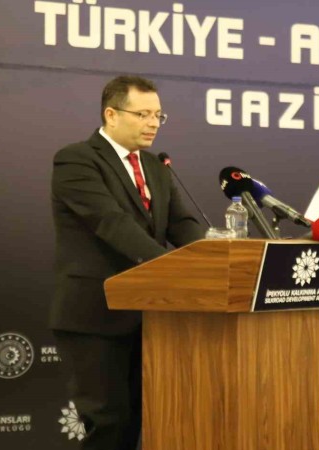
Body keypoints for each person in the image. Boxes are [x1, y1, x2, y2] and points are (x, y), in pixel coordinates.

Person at [49, 75, 204, 450]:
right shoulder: (77, 160)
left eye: (158, 115)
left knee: (142, 420)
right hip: (96, 316)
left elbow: (182, 225)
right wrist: (171, 269)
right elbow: (111, 223)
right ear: (111, 114)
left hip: (151, 315)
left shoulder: (155, 165)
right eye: (143, 114)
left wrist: (210, 259)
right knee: (108, 423)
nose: (153, 123)